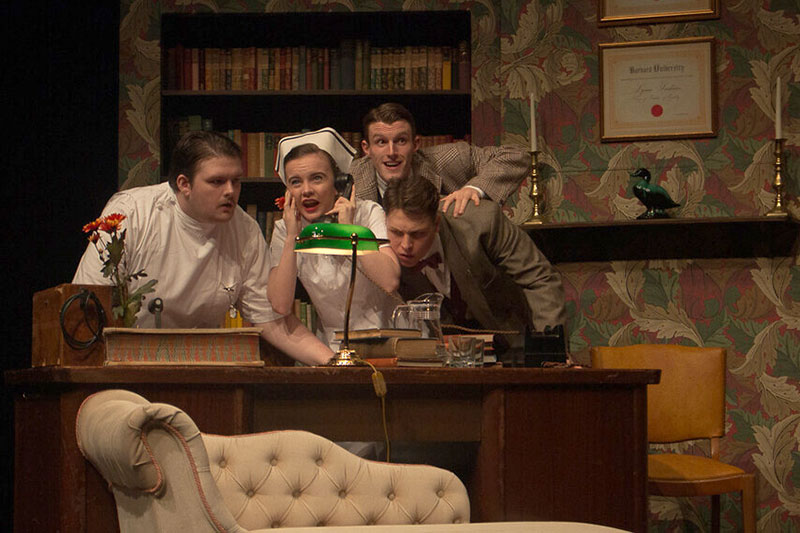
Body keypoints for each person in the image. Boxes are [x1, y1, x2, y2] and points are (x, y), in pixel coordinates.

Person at [73, 130, 333, 366]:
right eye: (217, 182)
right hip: (126, 363)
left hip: (197, 366)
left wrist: (335, 362)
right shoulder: (133, 213)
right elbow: (85, 302)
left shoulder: (244, 231)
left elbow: (272, 321)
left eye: (236, 181)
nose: (231, 191)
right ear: (184, 184)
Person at [383, 174, 566, 337]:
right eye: (397, 233)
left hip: (513, 343)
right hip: (446, 358)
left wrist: (550, 350)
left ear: (437, 223)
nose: (405, 245)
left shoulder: (483, 222)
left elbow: (540, 279)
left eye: (418, 234)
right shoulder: (383, 253)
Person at [269, 128, 400, 349]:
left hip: (386, 340)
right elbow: (280, 304)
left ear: (339, 183)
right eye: (296, 182)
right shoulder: (285, 230)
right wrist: (293, 236)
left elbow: (389, 280)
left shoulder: (367, 213)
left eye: (317, 178)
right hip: (331, 347)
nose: (306, 190)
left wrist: (349, 231)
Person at [350, 102, 530, 216]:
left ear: (416, 144)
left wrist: (474, 189)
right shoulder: (348, 178)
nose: (392, 152)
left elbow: (515, 156)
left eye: (401, 141)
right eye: (381, 142)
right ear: (366, 149)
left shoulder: (451, 159)